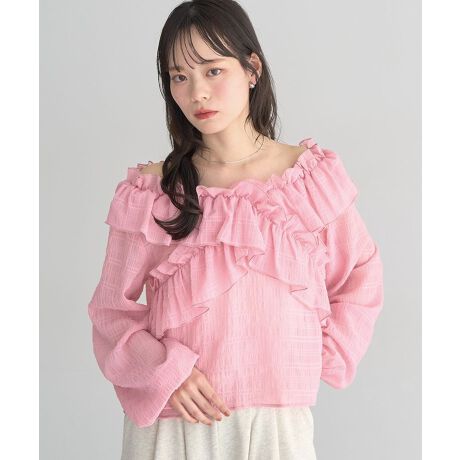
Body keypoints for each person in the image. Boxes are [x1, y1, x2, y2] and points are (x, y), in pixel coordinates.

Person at [87, 1, 384, 458]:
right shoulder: (152, 190)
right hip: (176, 423)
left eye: (213, 70)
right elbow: (111, 310)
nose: (197, 93)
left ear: (252, 69)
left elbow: (361, 273)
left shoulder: (307, 180)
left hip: (276, 424)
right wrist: (167, 373)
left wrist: (315, 353)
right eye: (179, 76)